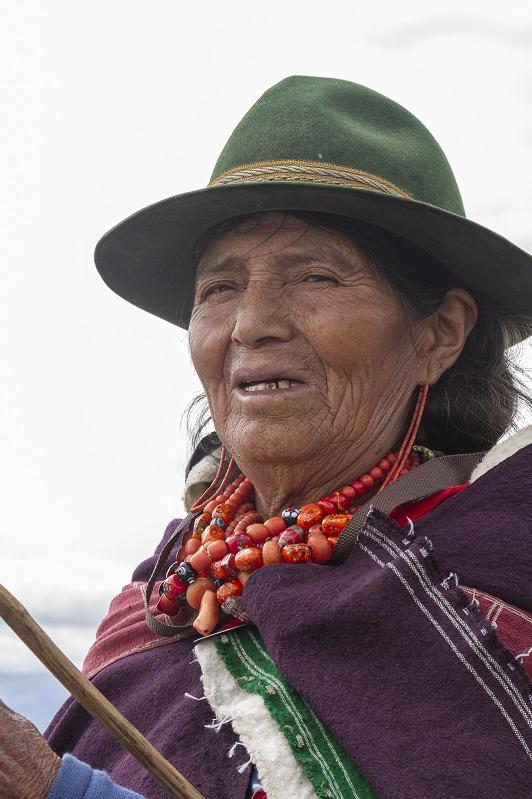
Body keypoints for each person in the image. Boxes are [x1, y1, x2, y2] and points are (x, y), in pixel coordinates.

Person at [1, 75, 531, 799]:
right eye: (219, 288)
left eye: (314, 276)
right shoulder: (164, 596)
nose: (252, 323)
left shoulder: (496, 592)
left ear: (439, 333)